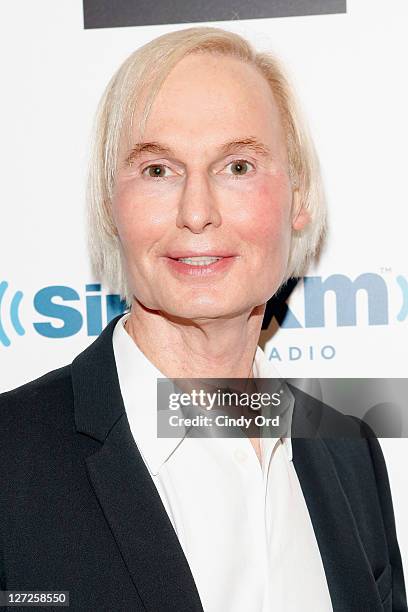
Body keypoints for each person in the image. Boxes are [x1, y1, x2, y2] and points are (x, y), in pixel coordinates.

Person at [0, 26, 406, 612]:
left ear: (299, 200)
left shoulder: (349, 453)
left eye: (237, 167)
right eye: (158, 170)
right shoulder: (10, 461)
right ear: (111, 207)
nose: (196, 212)